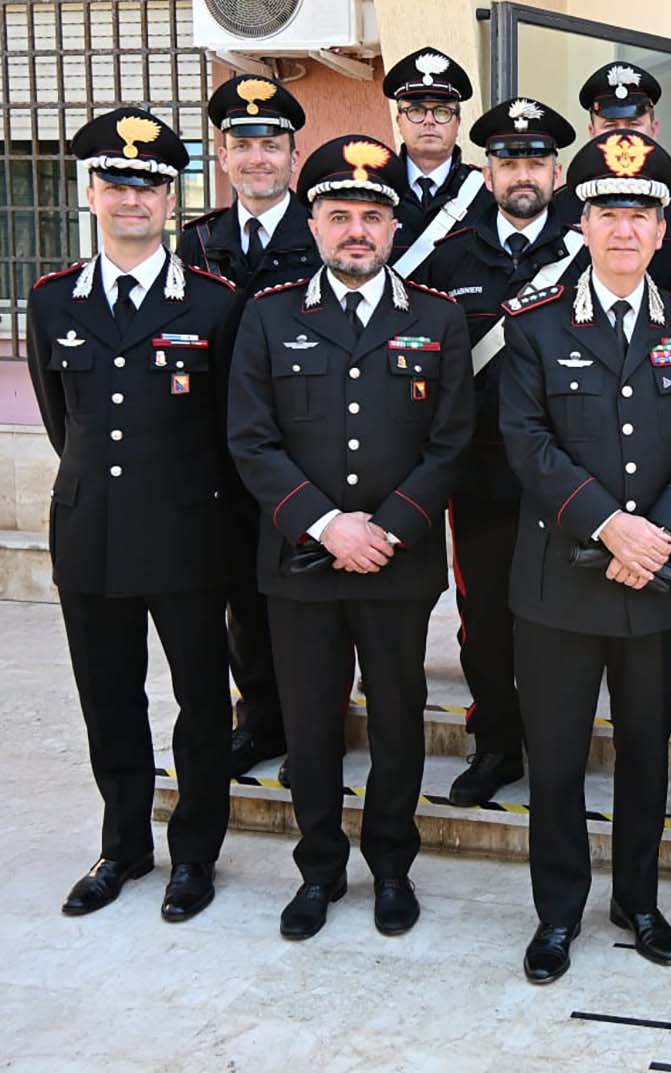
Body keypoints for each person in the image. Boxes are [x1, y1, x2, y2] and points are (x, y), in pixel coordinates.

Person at [227, 135, 474, 940]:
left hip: (397, 564)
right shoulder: (270, 315)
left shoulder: (437, 316)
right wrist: (330, 524)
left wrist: (386, 528)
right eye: (340, 215)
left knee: (399, 718)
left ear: (395, 227)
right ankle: (319, 868)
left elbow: (451, 442)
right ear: (314, 224)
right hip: (302, 561)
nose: (357, 231)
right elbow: (251, 439)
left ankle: (392, 866)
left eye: (372, 215)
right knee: (310, 723)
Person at [499, 130, 671, 984]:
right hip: (559, 585)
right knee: (557, 760)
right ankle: (558, 911)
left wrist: (658, 532)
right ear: (583, 225)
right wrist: (610, 526)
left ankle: (639, 900)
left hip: (657, 583)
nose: (624, 229)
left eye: (640, 214)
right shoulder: (535, 324)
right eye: (607, 213)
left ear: (663, 230)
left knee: (645, 755)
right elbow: (527, 440)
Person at [28, 109, 240, 921]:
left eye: (148, 186)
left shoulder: (213, 303)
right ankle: (123, 845)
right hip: (90, 531)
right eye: (116, 184)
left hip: (188, 531)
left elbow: (227, 429)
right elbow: (64, 421)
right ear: (91, 194)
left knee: (201, 701)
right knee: (108, 697)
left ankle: (195, 853)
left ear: (170, 200)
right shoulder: (53, 300)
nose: (131, 200)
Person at [422, 97, 585, 807]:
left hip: (568, 476)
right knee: (485, 619)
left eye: (537, 160)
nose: (524, 173)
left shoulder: (587, 250)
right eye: (509, 160)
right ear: (487, 172)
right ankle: (495, 743)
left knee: (563, 620)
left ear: (557, 172)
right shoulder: (450, 256)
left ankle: (556, 745)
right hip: (482, 475)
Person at [178, 73, 314, 777]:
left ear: (294, 155)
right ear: (223, 155)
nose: (258, 157)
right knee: (241, 594)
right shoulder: (197, 242)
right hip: (221, 456)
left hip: (309, 451)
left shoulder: (322, 231)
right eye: (243, 144)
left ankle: (315, 726)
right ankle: (262, 721)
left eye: (272, 144)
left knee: (312, 596)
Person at [553, 62, 671, 291]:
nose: (622, 136)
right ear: (592, 133)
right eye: (610, 125)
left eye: (634, 124)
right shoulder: (564, 202)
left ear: (654, 129)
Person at [381, 47, 487, 273]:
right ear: (399, 121)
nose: (429, 121)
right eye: (416, 111)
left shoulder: (486, 192)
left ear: (458, 122)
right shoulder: (377, 189)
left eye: (441, 112)